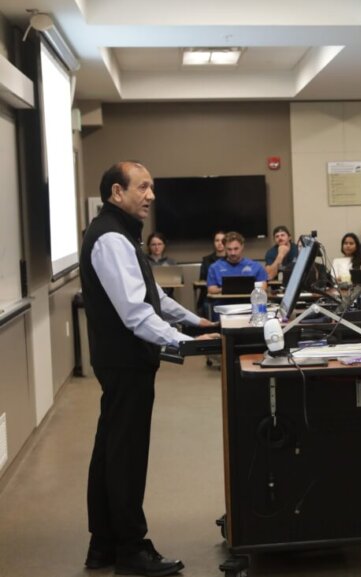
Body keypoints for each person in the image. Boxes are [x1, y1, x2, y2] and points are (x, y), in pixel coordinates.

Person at [81, 161, 219, 575]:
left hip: (120, 360)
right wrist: (184, 341)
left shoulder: (120, 233)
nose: (151, 196)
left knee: (110, 450)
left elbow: (152, 293)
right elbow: (136, 312)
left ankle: (103, 545)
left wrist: (195, 321)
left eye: (152, 187)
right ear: (116, 192)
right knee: (126, 456)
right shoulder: (111, 238)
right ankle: (131, 549)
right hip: (125, 362)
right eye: (142, 187)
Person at [196, 231, 226, 313]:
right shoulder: (206, 260)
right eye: (217, 240)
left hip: (227, 294)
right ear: (213, 243)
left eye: (222, 241)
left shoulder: (231, 259)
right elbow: (202, 279)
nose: (220, 243)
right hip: (210, 295)